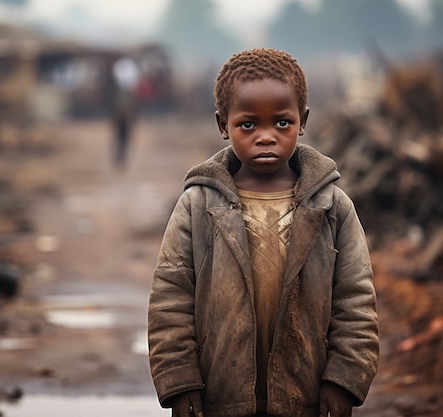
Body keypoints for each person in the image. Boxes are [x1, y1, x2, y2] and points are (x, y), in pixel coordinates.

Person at [148, 48, 379, 417]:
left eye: (282, 123)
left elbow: (356, 300)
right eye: (248, 124)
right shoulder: (197, 206)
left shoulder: (332, 207)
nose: (266, 136)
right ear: (223, 125)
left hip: (305, 396)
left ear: (302, 121)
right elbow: (170, 298)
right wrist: (179, 381)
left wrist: (344, 379)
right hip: (219, 396)